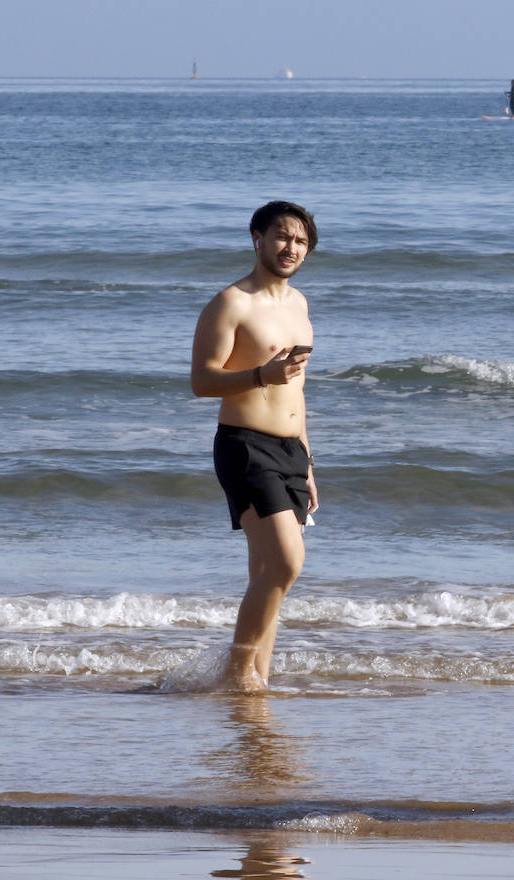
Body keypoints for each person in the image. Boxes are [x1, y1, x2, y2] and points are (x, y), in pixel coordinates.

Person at [191, 201, 319, 693]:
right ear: (258, 238)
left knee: (267, 571)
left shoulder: (300, 305)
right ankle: (237, 673)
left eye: (302, 241)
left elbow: (297, 391)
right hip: (245, 446)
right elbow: (202, 380)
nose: (292, 248)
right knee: (286, 562)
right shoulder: (230, 303)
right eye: (283, 237)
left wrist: (307, 461)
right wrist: (260, 375)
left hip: (289, 452)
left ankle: (255, 680)